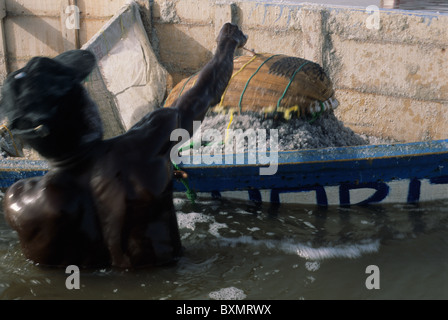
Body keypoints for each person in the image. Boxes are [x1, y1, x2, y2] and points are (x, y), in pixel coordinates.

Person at [0, 23, 247, 268]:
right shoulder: (149, 144)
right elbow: (206, 92)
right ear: (84, 110)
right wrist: (227, 43)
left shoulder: (19, 205)